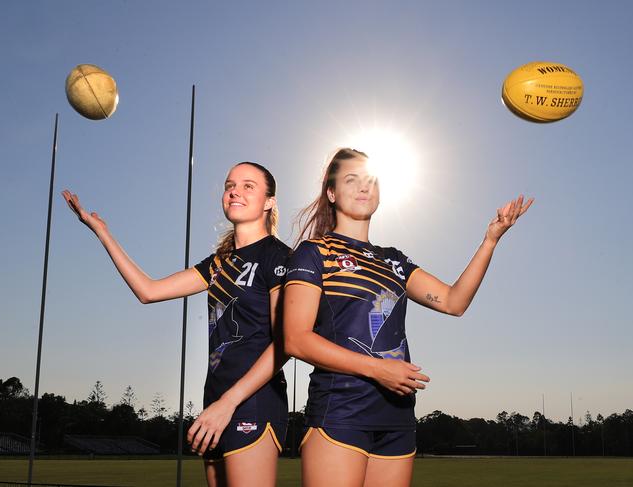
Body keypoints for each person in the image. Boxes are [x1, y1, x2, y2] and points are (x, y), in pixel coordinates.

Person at [283, 148, 533, 487]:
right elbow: (296, 339)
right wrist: (377, 368)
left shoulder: (394, 261)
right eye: (351, 180)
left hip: (397, 418)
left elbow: (452, 301)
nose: (363, 187)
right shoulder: (314, 253)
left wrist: (490, 240)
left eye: (370, 180)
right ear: (331, 192)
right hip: (340, 412)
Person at [62, 161, 290, 487]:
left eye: (248, 185)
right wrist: (103, 233)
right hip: (215, 403)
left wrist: (229, 402)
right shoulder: (217, 265)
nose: (234, 191)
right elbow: (148, 291)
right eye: (230, 185)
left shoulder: (279, 257)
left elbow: (285, 342)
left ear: (269, 201)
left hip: (252, 402)